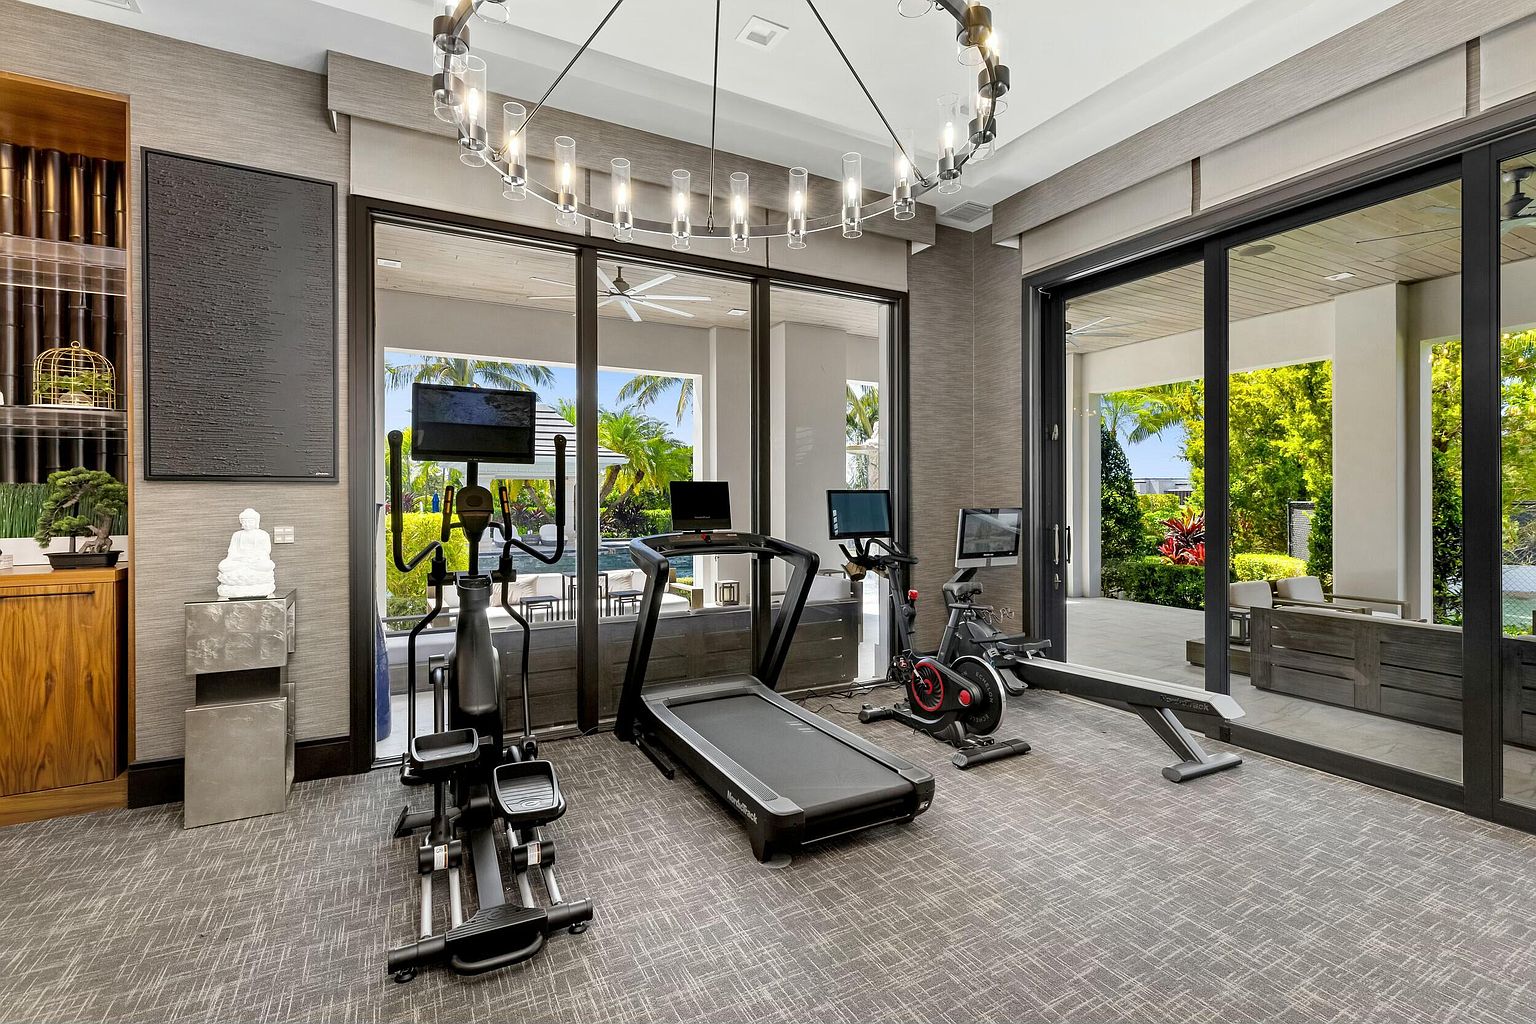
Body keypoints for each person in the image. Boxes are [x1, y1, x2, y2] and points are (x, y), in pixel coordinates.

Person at [217, 507, 276, 599]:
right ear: (241, 522)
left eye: (250, 521)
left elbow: (265, 552)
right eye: (244, 521)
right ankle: (244, 577)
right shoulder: (237, 535)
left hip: (255, 562)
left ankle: (242, 578)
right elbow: (231, 552)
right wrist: (239, 558)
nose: (247, 524)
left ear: (256, 522)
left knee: (268, 565)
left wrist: (254, 558)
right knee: (222, 566)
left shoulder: (263, 534)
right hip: (239, 561)